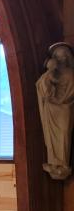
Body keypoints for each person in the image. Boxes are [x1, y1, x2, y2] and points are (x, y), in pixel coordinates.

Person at [36, 42, 74, 179]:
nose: (61, 58)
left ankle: (63, 164)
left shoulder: (71, 73)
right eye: (57, 56)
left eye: (63, 55)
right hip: (51, 109)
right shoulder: (51, 74)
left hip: (65, 108)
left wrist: (60, 99)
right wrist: (50, 71)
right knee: (51, 136)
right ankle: (53, 163)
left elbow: (70, 92)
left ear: (67, 57)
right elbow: (41, 86)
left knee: (64, 134)